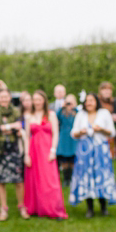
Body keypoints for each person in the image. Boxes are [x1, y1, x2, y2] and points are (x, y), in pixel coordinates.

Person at [69, 93, 116, 217]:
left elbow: (112, 132)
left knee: (101, 175)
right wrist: (80, 132)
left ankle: (103, 206)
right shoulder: (81, 114)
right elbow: (73, 133)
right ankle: (89, 208)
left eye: (91, 100)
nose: (88, 103)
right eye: (86, 101)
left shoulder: (104, 113)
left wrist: (101, 129)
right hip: (85, 151)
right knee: (86, 176)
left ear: (96, 101)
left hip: (100, 150)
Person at [23, 90, 68, 220]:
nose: (37, 102)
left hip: (47, 150)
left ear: (44, 100)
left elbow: (56, 133)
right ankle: (37, 208)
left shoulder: (51, 115)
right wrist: (26, 155)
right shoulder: (28, 116)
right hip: (33, 151)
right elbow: (26, 137)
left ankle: (54, 209)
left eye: (39, 99)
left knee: (50, 180)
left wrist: (53, 150)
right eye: (35, 99)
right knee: (35, 179)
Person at [0, 89, 28, 221]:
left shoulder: (17, 111)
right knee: (1, 181)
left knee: (18, 180)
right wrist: (11, 127)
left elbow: (20, 126)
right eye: (1, 97)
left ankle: (22, 206)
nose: (4, 99)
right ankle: (3, 208)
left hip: (14, 149)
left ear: (10, 98)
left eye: (6, 97)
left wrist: (3, 127)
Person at [56, 94, 78, 186]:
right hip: (64, 137)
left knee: (72, 158)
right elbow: (56, 118)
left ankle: (72, 177)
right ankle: (66, 179)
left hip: (73, 138)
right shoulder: (62, 112)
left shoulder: (76, 112)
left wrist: (74, 107)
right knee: (64, 159)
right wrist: (62, 107)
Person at [98, 81, 116, 157]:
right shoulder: (97, 102)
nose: (107, 91)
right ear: (100, 91)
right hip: (100, 131)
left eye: (109, 89)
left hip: (111, 132)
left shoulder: (114, 102)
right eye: (104, 89)